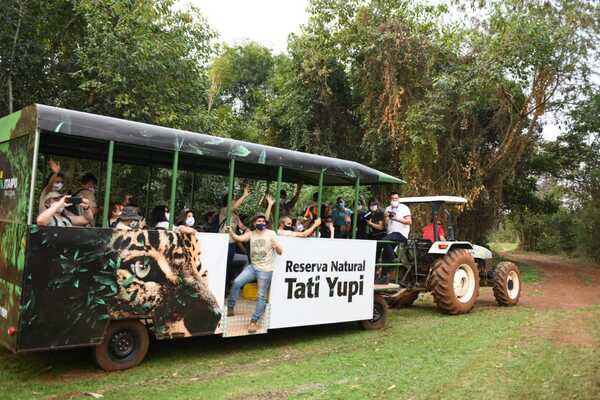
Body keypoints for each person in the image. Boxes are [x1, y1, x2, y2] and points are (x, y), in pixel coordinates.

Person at [225, 214, 283, 333]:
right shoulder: (251, 233)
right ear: (254, 223)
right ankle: (230, 307)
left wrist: (276, 247)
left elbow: (280, 251)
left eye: (263, 221)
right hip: (252, 267)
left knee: (261, 296)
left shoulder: (271, 233)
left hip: (265, 270)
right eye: (259, 221)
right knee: (236, 282)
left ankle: (254, 322)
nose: (262, 222)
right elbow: (238, 238)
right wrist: (231, 231)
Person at [380, 192, 412, 279]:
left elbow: (409, 221)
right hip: (391, 234)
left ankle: (394, 259)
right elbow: (386, 224)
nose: (394, 200)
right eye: (392, 198)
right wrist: (386, 217)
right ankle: (384, 276)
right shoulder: (387, 208)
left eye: (396, 198)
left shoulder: (404, 208)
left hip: (401, 234)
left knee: (384, 241)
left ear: (399, 199)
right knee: (384, 253)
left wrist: (396, 218)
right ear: (390, 199)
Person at [219, 185, 251, 267]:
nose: (235, 201)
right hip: (223, 242)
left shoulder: (235, 215)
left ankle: (229, 280)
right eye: (234, 199)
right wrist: (244, 195)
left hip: (232, 243)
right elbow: (234, 207)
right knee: (222, 264)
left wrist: (247, 229)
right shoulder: (224, 210)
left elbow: (241, 226)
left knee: (229, 264)